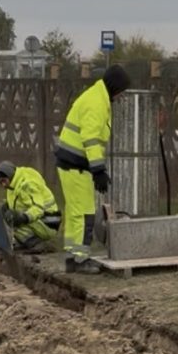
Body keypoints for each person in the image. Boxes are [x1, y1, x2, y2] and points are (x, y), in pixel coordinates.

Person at [54, 64, 131, 274]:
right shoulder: (96, 103)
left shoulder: (97, 98)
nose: (123, 96)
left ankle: (72, 257)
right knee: (85, 212)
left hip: (72, 164)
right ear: (115, 87)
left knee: (74, 211)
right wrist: (99, 170)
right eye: (122, 91)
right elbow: (91, 139)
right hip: (76, 166)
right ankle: (80, 260)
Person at [0, 160, 61, 253]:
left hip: (49, 221)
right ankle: (27, 242)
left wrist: (23, 217)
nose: (3, 185)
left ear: (9, 175)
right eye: (0, 183)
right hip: (41, 220)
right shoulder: (12, 185)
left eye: (4, 181)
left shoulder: (27, 185)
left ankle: (37, 243)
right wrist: (7, 207)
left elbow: (38, 208)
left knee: (13, 227)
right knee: (10, 221)